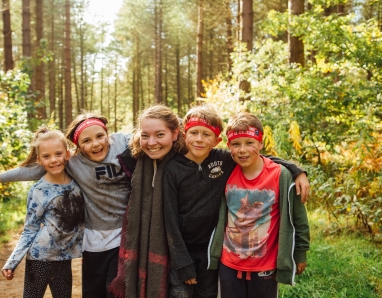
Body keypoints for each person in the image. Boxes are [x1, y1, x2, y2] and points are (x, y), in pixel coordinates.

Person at [0, 112, 132, 298]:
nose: (95, 143)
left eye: (99, 136)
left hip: (99, 244)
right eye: (87, 140)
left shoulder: (116, 147)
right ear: (78, 147)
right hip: (66, 248)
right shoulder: (58, 175)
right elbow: (34, 173)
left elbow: (145, 137)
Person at [163, 105, 309, 298]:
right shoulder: (185, 168)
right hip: (210, 258)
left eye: (206, 134)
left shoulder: (234, 163)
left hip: (241, 258)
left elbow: (260, 159)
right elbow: (169, 218)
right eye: (194, 132)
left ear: (217, 140)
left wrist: (296, 170)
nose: (242, 150)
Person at [216, 111, 310, 298]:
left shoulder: (280, 175)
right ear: (229, 146)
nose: (242, 150)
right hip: (229, 264)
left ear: (260, 143)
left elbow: (298, 218)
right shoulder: (225, 171)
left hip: (265, 267)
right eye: (236, 144)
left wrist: (300, 252)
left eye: (249, 143)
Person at [109, 104, 188, 298]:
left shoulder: (189, 161)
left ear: (175, 133)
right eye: (145, 135)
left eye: (160, 134)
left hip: (184, 255)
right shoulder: (134, 160)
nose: (152, 142)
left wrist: (273, 163)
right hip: (141, 248)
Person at [0, 127, 85, 298]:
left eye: (58, 154)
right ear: (39, 160)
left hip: (63, 259)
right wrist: (12, 262)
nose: (53, 160)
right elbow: (30, 229)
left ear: (67, 154)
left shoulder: (78, 183)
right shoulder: (38, 190)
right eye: (47, 156)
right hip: (39, 258)